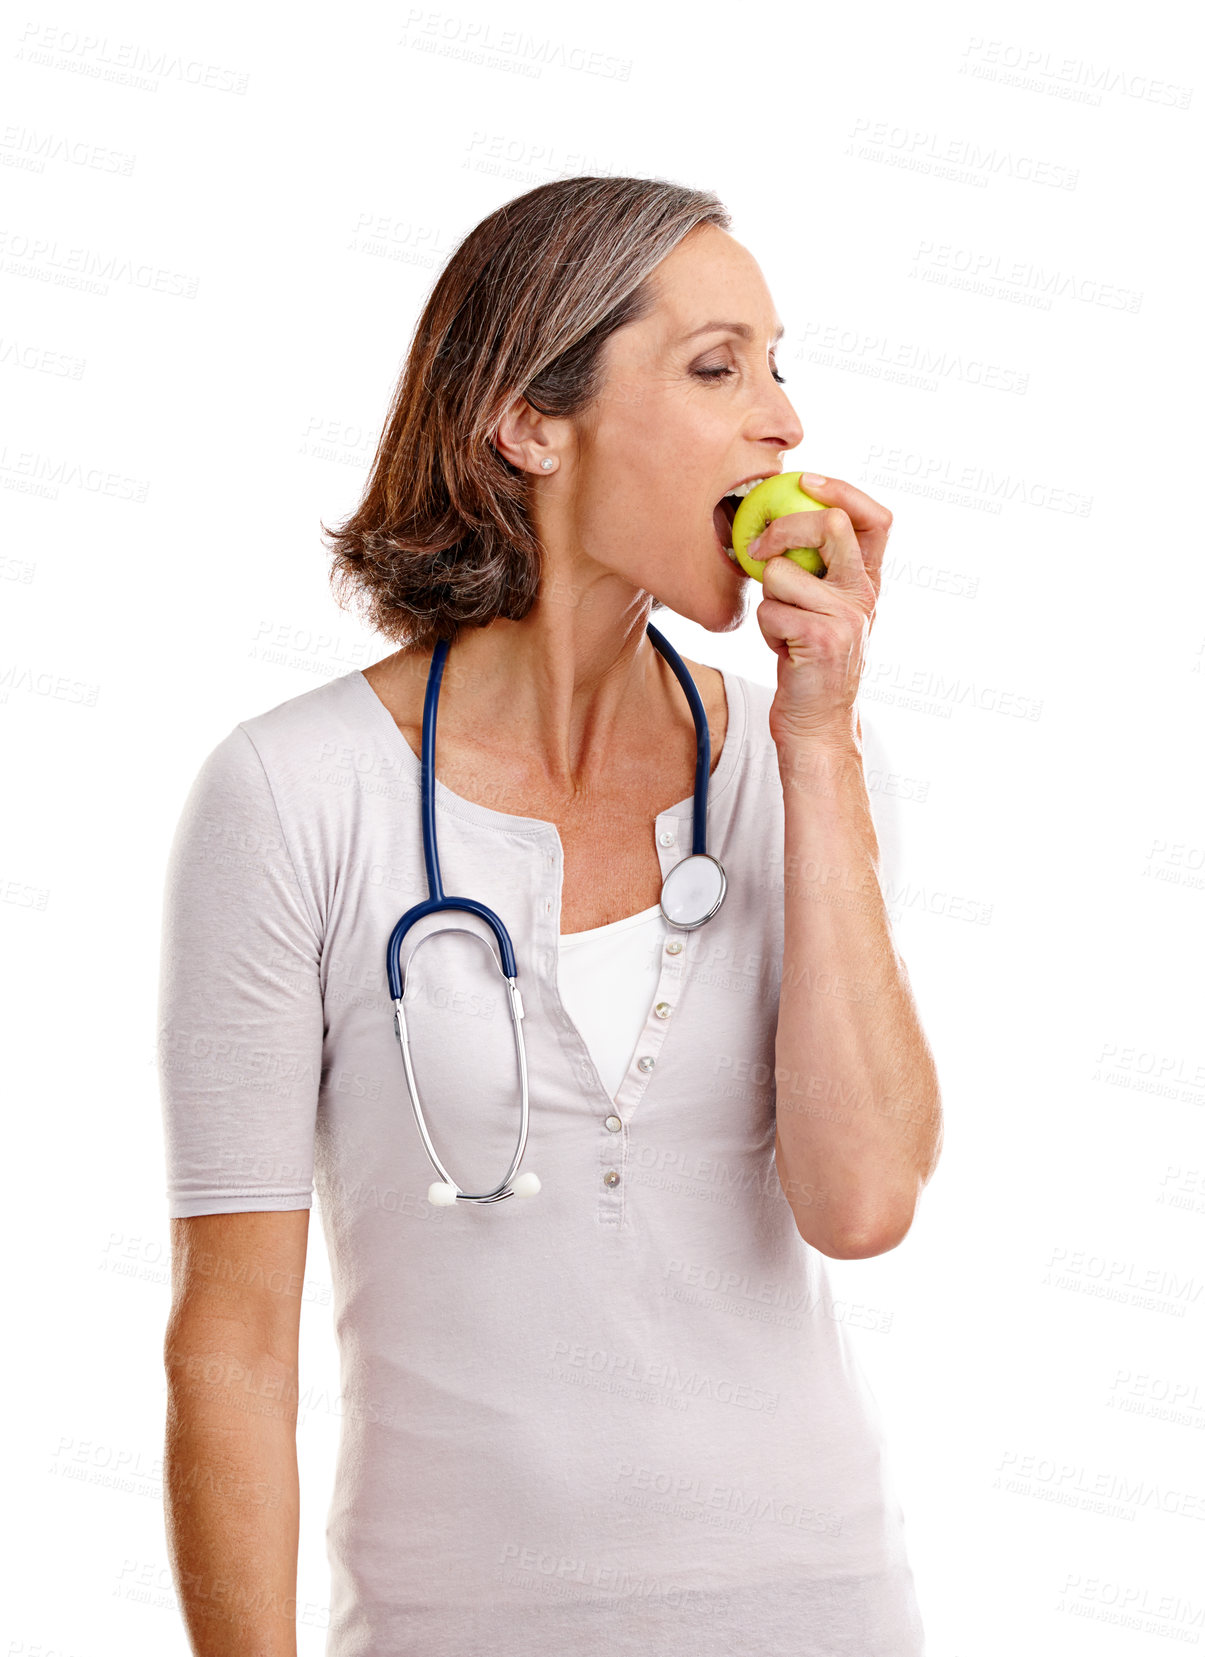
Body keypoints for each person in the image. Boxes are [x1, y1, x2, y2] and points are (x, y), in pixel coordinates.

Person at [158, 174, 942, 1656]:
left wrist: (821, 740)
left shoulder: (802, 771)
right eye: (717, 367)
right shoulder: (292, 792)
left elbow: (862, 1203)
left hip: (819, 1610)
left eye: (779, 366)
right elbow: (231, 1347)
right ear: (531, 421)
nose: (781, 422)